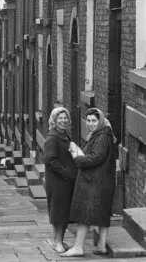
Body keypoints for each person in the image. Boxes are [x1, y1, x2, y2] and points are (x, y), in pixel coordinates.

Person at [61, 108, 117, 257]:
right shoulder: (101, 134)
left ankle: (78, 247)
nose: (90, 124)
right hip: (102, 181)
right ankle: (101, 246)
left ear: (100, 121)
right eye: (88, 121)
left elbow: (95, 158)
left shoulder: (102, 137)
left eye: (94, 120)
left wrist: (77, 158)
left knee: (84, 215)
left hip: (94, 183)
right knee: (102, 214)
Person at [44, 107, 77, 253]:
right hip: (57, 181)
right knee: (57, 212)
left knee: (64, 212)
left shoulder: (64, 135)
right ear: (54, 120)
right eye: (60, 118)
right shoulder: (52, 138)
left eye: (65, 118)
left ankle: (60, 241)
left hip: (66, 180)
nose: (63, 121)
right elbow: (50, 161)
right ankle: (57, 242)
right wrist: (66, 173)